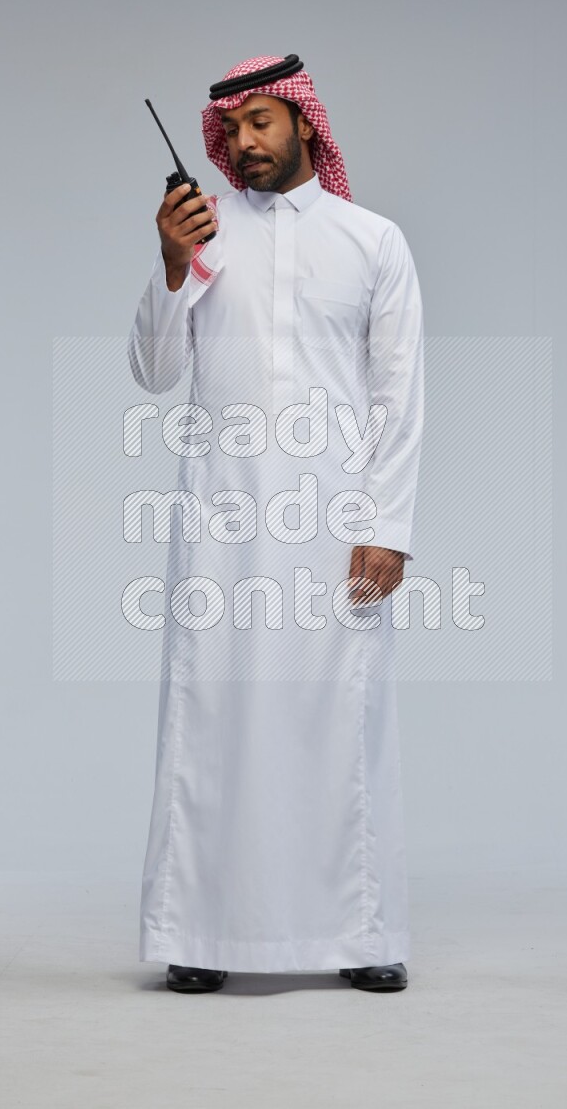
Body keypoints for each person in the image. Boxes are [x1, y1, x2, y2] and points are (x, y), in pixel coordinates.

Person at [128, 54, 425, 993]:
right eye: (234, 128)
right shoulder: (206, 239)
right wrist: (174, 264)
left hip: (336, 524)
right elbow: (153, 370)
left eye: (264, 122)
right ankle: (200, 930)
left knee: (343, 718)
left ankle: (360, 929)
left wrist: (388, 526)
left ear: (304, 124)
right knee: (213, 716)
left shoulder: (374, 240)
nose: (247, 142)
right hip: (223, 521)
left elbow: (400, 397)